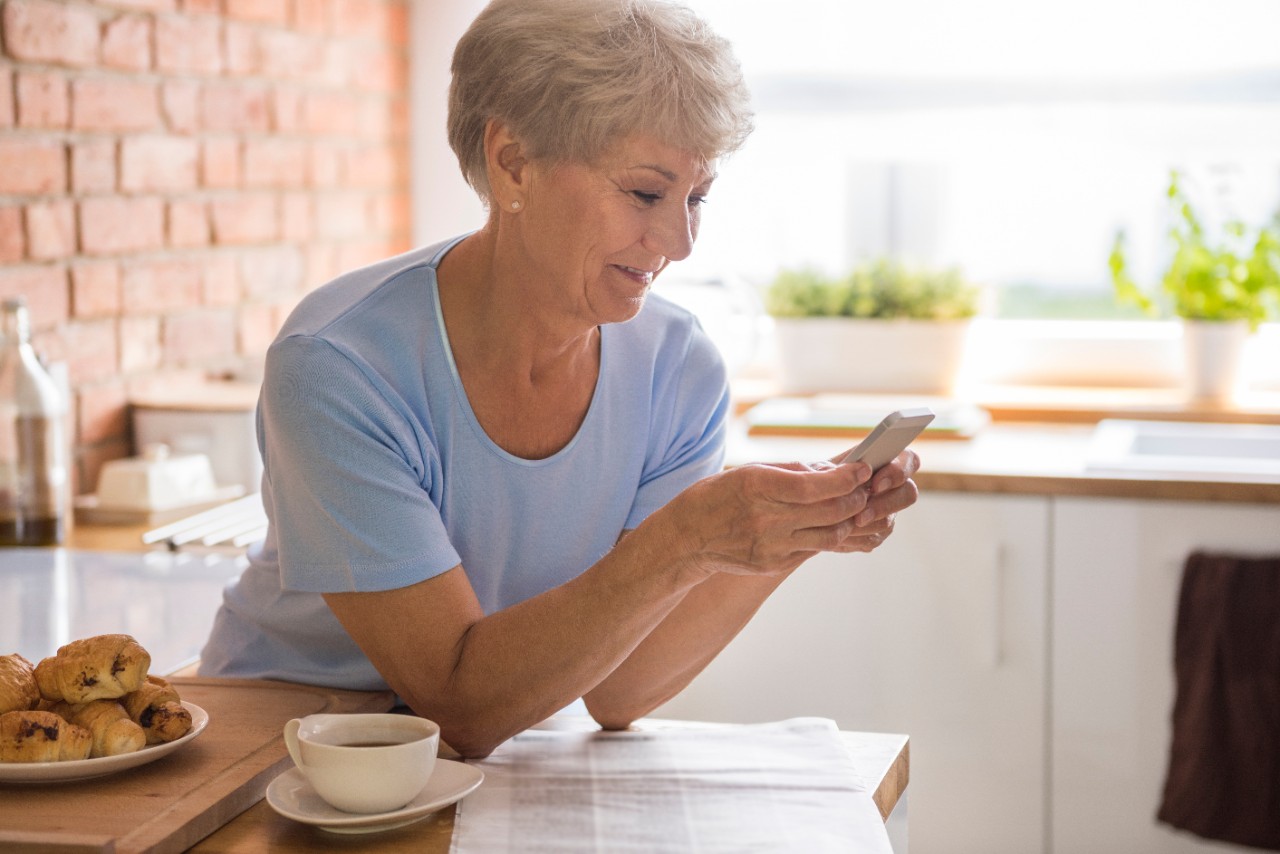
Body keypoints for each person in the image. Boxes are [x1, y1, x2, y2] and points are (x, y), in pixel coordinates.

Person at [199, 0, 921, 759]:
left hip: (485, 758)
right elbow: (458, 703)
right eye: (646, 193)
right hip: (281, 756)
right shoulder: (339, 365)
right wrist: (687, 539)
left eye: (696, 197)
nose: (679, 242)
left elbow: (621, 688)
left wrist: (791, 530)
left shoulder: (678, 369)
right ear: (513, 163)